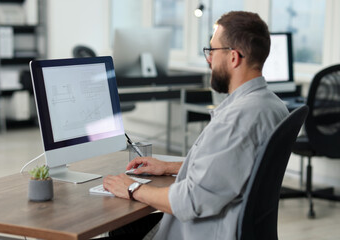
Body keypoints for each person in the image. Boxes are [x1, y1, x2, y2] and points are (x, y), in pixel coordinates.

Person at [102, 11, 289, 240]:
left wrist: (132, 188)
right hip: (237, 227)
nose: (208, 59)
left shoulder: (237, 120)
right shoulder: (272, 106)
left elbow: (190, 201)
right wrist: (169, 167)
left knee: (120, 226)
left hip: (204, 231)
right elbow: (231, 166)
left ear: (233, 57)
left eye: (212, 50)